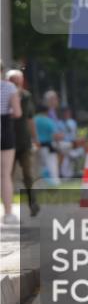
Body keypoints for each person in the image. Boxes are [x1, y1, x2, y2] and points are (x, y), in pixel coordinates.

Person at [6, 70, 39, 217]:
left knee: (28, 174)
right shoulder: (4, 95)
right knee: (7, 175)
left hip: (24, 141)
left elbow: (30, 118)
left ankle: (33, 203)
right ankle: (8, 207)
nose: (17, 84)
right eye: (14, 81)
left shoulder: (26, 96)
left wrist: (35, 138)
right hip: (8, 141)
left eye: (19, 81)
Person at [1, 64, 23, 225]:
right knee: (5, 175)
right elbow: (17, 113)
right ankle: (8, 213)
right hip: (4, 129)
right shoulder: (9, 87)